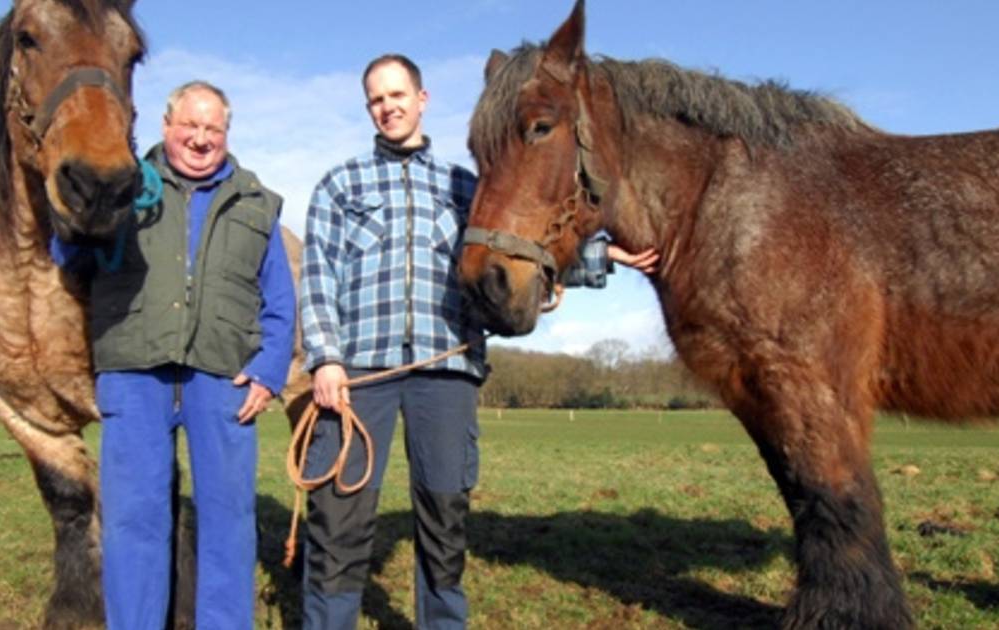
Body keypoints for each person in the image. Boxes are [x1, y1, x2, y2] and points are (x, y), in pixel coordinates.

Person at [298, 53, 651, 630]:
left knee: (444, 518)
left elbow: (521, 243)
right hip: (359, 373)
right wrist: (326, 359)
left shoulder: (466, 186)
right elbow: (318, 277)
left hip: (448, 369)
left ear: (421, 100)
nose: (388, 107)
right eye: (377, 100)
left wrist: (601, 254)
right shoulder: (340, 185)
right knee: (339, 518)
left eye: (397, 95)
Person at [54, 80, 295, 629]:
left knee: (229, 522)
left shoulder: (257, 204)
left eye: (213, 128)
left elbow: (280, 302)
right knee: (133, 521)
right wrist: (80, 213)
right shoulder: (123, 186)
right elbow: (68, 256)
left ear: (227, 133)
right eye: (190, 125)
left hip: (225, 380)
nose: (201, 138)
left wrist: (268, 372)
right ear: (166, 126)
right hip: (134, 375)